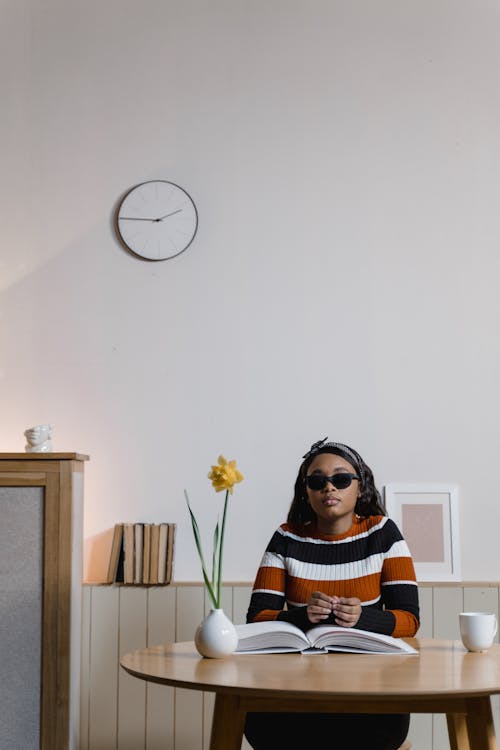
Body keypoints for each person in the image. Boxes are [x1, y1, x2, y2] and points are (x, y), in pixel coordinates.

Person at [244, 438, 419, 750]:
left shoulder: (383, 534)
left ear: (360, 486)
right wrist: (301, 616)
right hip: (295, 688)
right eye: (317, 481)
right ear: (305, 491)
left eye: (340, 479)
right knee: (259, 723)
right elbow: (257, 619)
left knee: (378, 731)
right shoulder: (286, 538)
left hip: (371, 690)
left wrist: (362, 618)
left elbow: (409, 620)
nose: (329, 488)